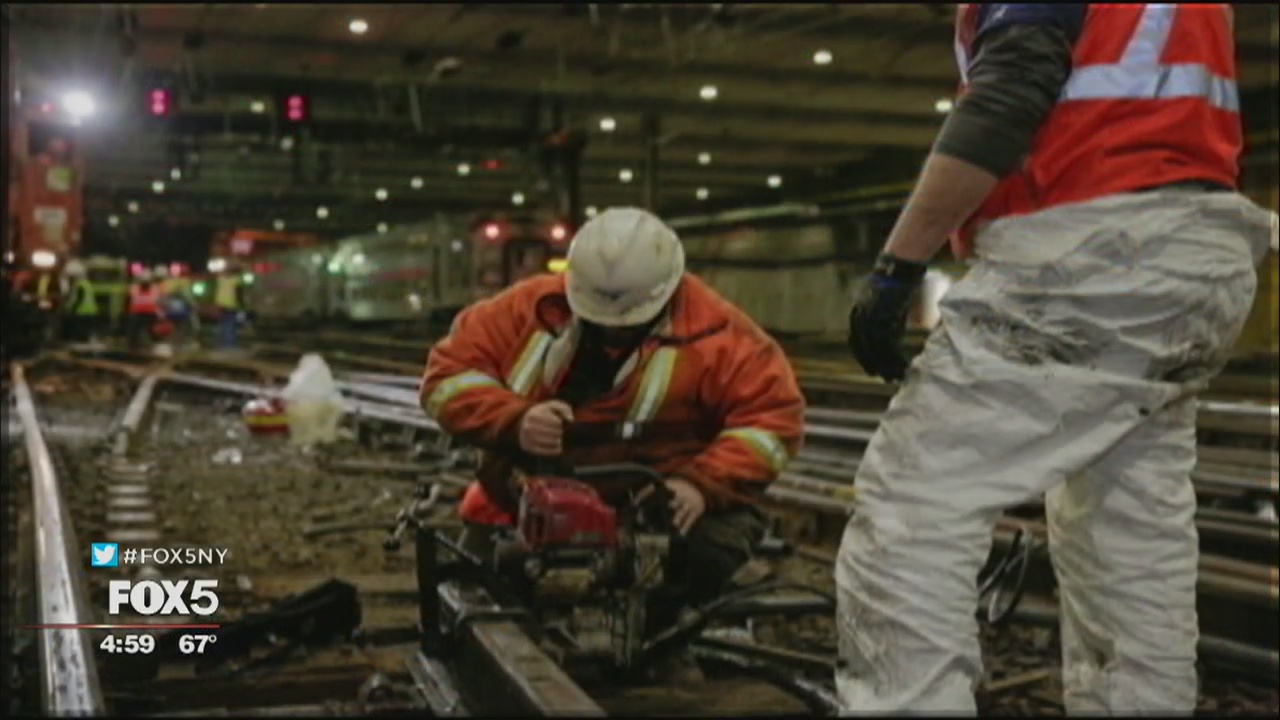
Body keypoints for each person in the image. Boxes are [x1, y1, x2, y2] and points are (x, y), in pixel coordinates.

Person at [837, 3, 1274, 715]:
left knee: (912, 505)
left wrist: (897, 268)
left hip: (1093, 252)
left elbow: (1010, 95)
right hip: (1200, 258)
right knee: (1130, 532)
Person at [420, 207, 806, 657]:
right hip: (523, 489)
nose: (610, 333)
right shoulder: (527, 310)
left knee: (708, 546)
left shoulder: (720, 334)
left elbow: (772, 419)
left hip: (651, 499)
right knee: (481, 585)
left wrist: (700, 484)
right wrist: (515, 419)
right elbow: (446, 377)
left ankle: (658, 638)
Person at [61, 259, 99, 343]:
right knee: (85, 335)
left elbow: (78, 300)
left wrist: (69, 310)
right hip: (91, 311)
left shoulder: (79, 285)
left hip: (81, 312)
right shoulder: (87, 284)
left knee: (79, 335)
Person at [125, 269, 162, 350]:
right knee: (134, 332)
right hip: (137, 313)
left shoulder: (154, 288)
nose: (145, 284)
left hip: (149, 313)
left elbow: (158, 301)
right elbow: (130, 299)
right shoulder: (134, 288)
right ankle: (133, 346)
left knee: (152, 331)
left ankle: (154, 345)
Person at [213, 265, 244, 349]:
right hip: (231, 305)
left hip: (220, 305)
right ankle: (230, 344)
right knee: (231, 325)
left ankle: (220, 343)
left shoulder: (221, 279)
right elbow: (239, 294)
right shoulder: (237, 280)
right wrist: (241, 306)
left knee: (222, 324)